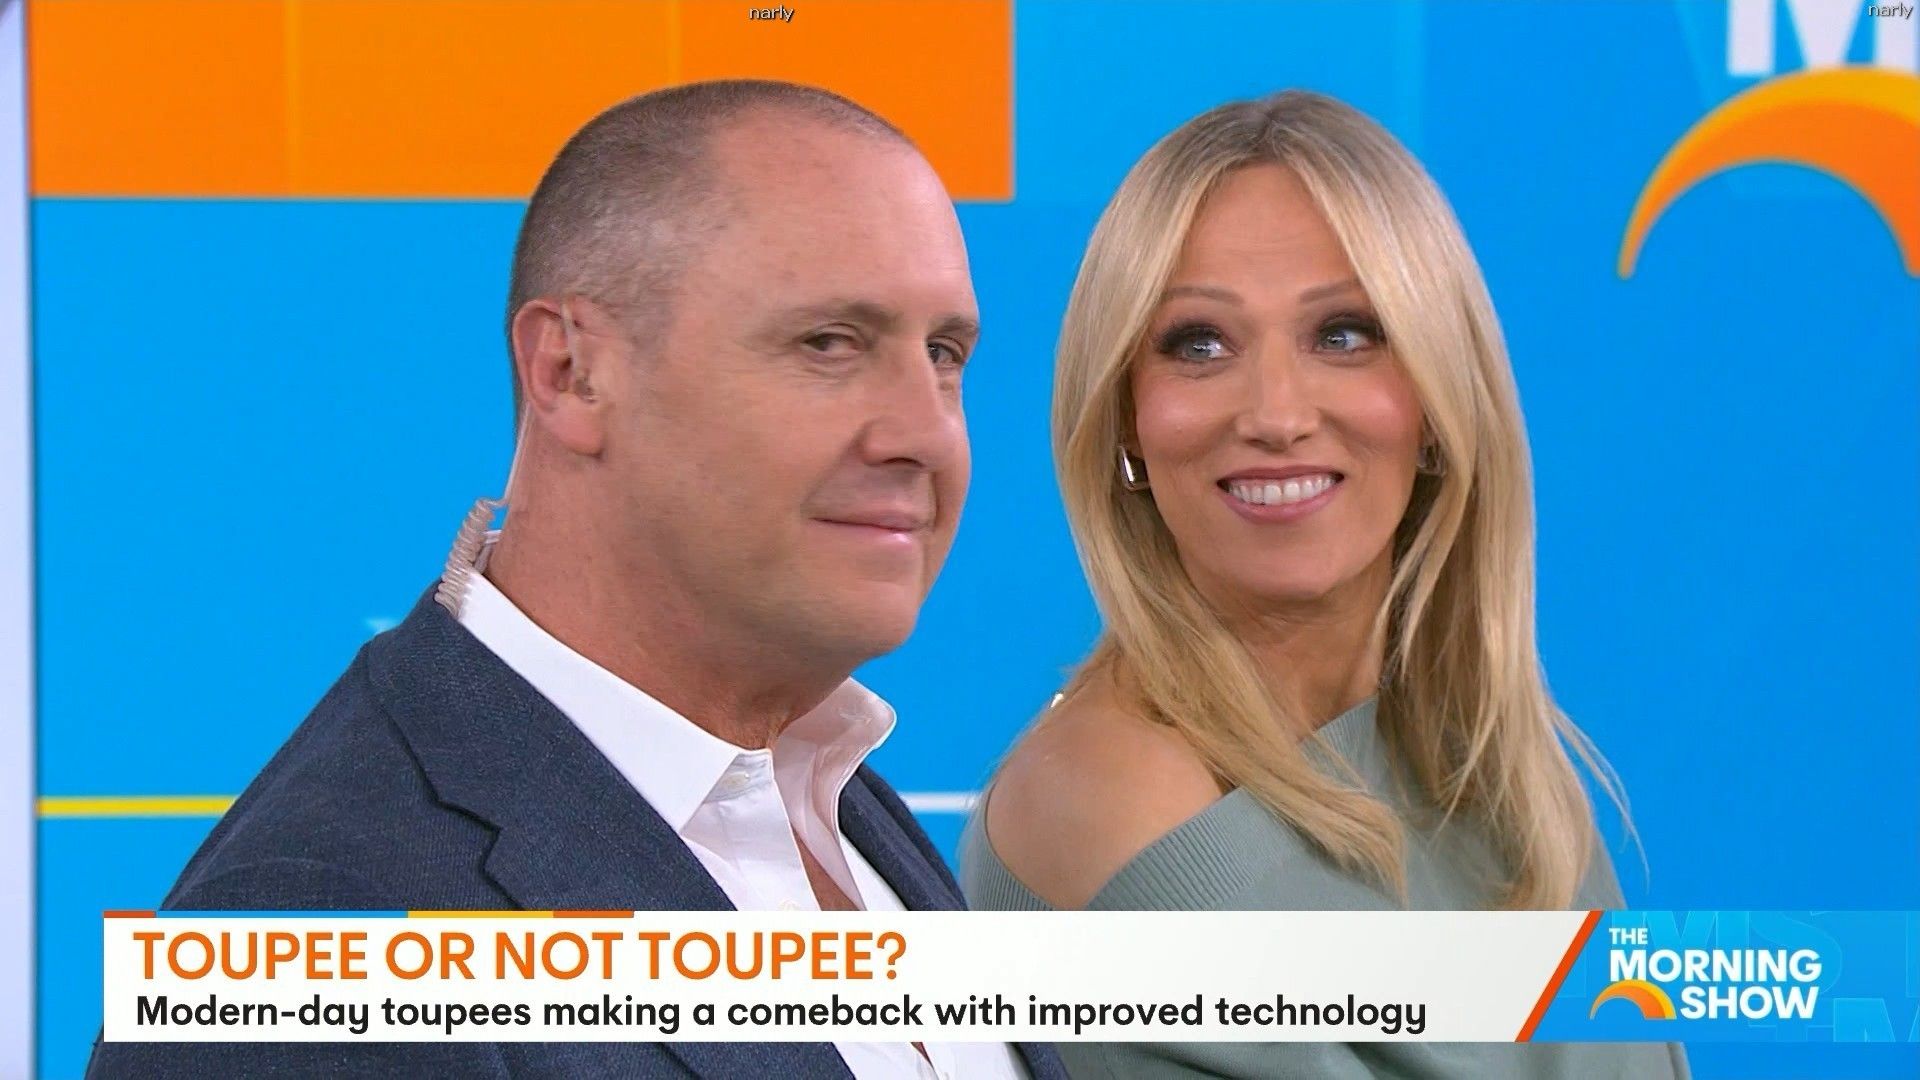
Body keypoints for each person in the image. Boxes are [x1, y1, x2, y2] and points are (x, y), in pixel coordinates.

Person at [88, 79, 1061, 1080]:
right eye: (828, 344)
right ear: (568, 372)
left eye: (943, 354)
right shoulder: (320, 949)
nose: (926, 434)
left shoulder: (821, 783)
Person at [960, 90, 1689, 1078]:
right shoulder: (1102, 791)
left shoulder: (1492, 767)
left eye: (1343, 334)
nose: (1275, 413)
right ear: (1126, 416)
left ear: (1437, 397)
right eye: (1199, 344)